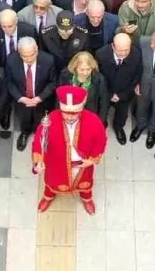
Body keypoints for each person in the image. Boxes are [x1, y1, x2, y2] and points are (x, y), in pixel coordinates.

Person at [32, 85, 107, 214]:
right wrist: (38, 162)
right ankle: (48, 197)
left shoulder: (94, 121)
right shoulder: (49, 120)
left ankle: (87, 199)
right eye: (66, 113)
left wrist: (92, 160)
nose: (70, 117)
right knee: (52, 183)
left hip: (83, 164)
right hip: (56, 164)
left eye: (74, 113)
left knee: (85, 184)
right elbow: (39, 141)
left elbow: (101, 141)